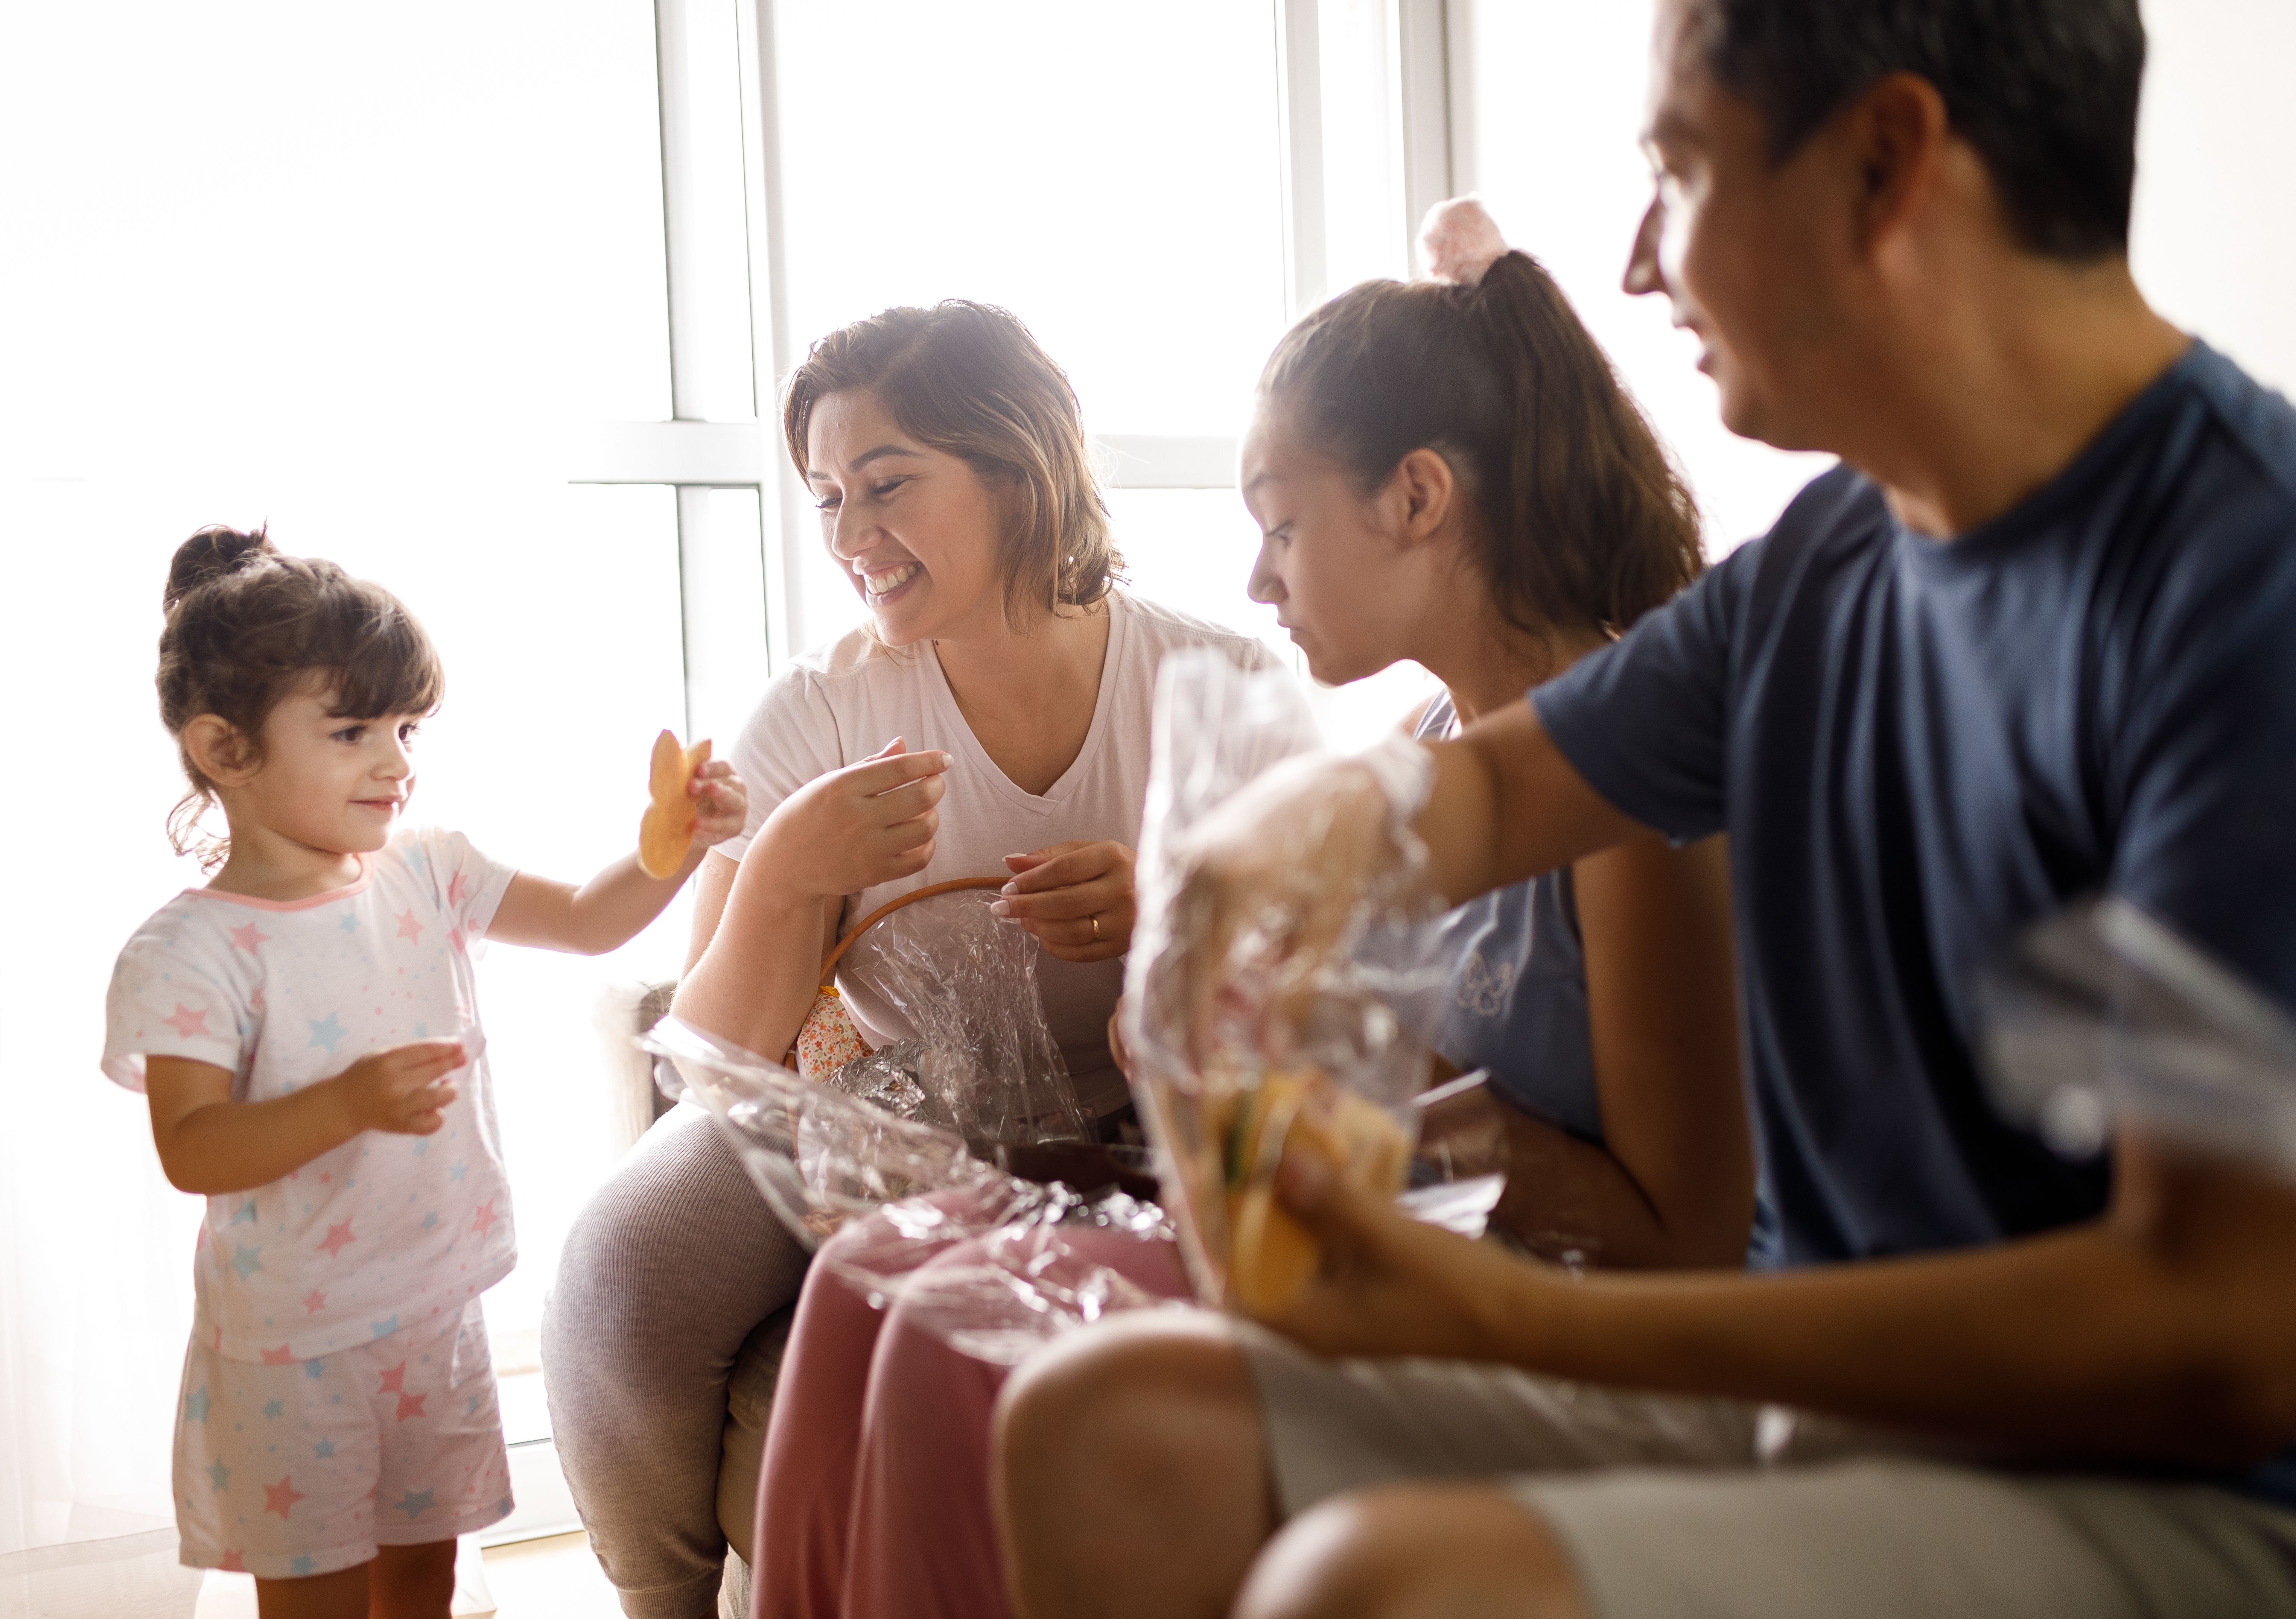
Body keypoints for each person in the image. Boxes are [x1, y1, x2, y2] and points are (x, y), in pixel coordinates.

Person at [994, 3, 2296, 1616]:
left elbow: (2222, 1327)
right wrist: (1238, 868)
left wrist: (1500, 1314)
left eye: (1675, 173)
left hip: (2161, 1494)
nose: (1631, 261)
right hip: (1833, 1417)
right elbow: (1481, 784)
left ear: (1884, 164)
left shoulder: (2238, 582)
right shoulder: (1835, 565)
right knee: (1103, 1426)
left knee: (1375, 1582)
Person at [746, 200, 1754, 1619]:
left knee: (939, 1347)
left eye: (1281, 524)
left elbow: (1675, 1244)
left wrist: (1365, 1091)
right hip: (1380, 1236)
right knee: (861, 1272)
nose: (1256, 578)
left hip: (1508, 1299)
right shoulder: (1422, 746)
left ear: (1417, 499)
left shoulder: (1630, 793)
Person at [540, 301, 1277, 1619]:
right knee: (621, 1272)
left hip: (1145, 1124)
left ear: (1022, 466)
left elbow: (1309, 992)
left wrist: (1174, 921)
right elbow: (712, 1062)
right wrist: (780, 877)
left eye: (886, 486)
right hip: (872, 1108)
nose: (850, 538)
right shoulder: (824, 709)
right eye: (827, 498)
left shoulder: (1214, 687)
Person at [100, 527, 743, 1619]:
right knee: (321, 1599)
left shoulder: (429, 869)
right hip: (292, 1351)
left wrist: (666, 849)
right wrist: (346, 1104)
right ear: (224, 750)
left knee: (424, 1581)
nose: (395, 761)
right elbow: (192, 1146)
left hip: (432, 1314)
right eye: (352, 732)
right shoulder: (189, 952)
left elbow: (588, 923)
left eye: (404, 728)